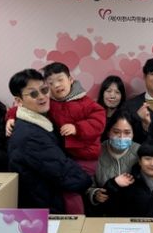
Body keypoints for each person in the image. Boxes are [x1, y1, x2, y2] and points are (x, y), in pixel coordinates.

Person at [7, 68, 92, 211]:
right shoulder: (31, 136)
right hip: (44, 210)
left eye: (44, 90)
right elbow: (63, 173)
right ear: (19, 101)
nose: (42, 97)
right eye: (33, 94)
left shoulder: (39, 121)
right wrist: (88, 182)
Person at [41, 62, 107, 176]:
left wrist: (77, 128)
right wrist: (12, 117)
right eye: (51, 83)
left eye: (60, 80)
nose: (56, 85)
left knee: (82, 181)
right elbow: (29, 107)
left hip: (86, 155)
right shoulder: (49, 103)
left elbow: (98, 122)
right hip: (64, 155)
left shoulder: (85, 102)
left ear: (70, 80)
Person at [96, 139, 153, 217]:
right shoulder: (127, 182)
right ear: (139, 161)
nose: (152, 164)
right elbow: (107, 208)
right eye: (147, 159)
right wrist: (113, 184)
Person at [86, 109, 140, 214]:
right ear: (108, 132)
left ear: (133, 134)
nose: (121, 137)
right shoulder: (95, 152)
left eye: (127, 133)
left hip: (133, 212)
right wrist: (94, 193)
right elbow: (86, 183)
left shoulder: (140, 152)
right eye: (116, 132)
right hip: (104, 212)